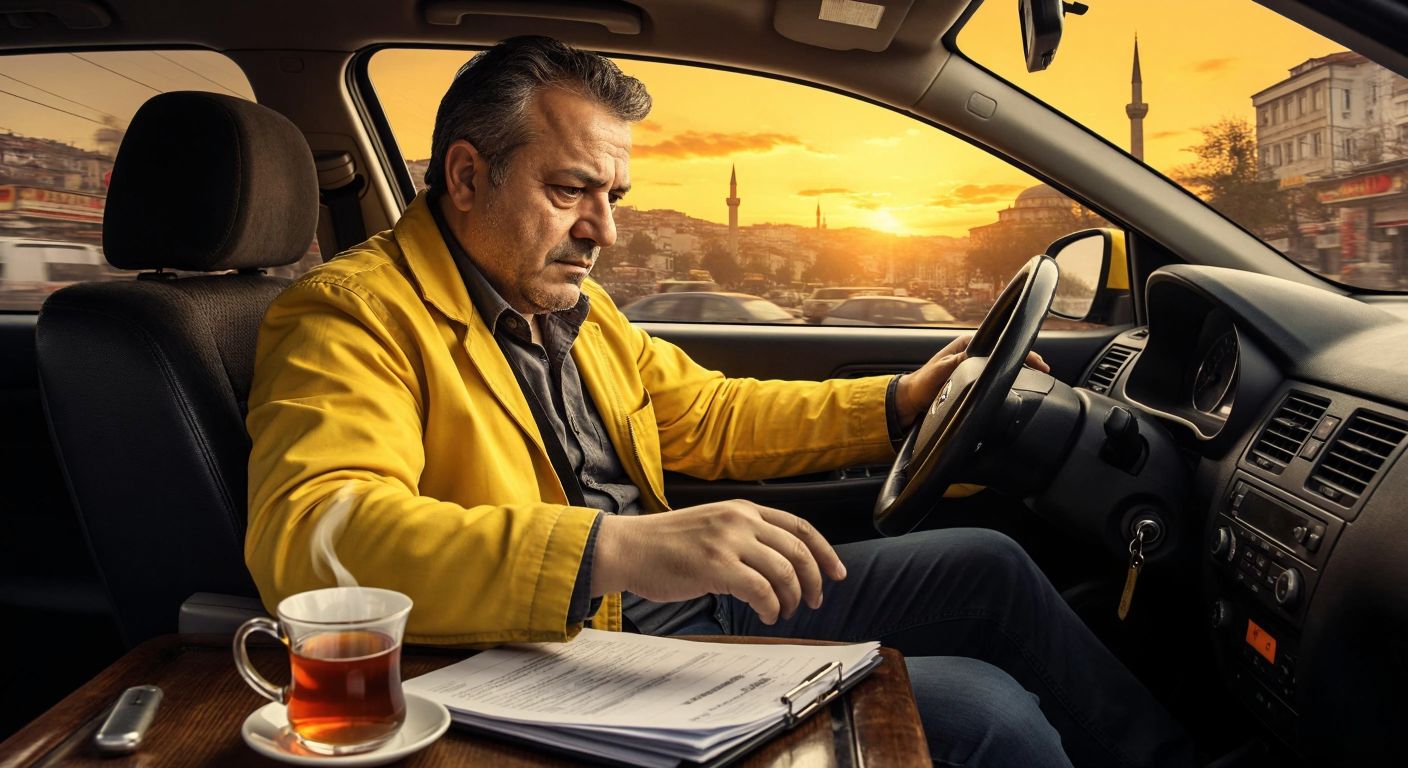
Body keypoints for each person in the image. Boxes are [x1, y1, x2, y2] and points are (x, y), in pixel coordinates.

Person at [245, 36, 1193, 767]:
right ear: (464, 176)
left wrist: (902, 401)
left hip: (661, 613)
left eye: (613, 194)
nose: (603, 230)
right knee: (987, 713)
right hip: (550, 657)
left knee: (989, 563)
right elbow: (320, 533)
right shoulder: (349, 316)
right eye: (572, 189)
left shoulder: (577, 307)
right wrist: (612, 549)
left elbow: (707, 414)